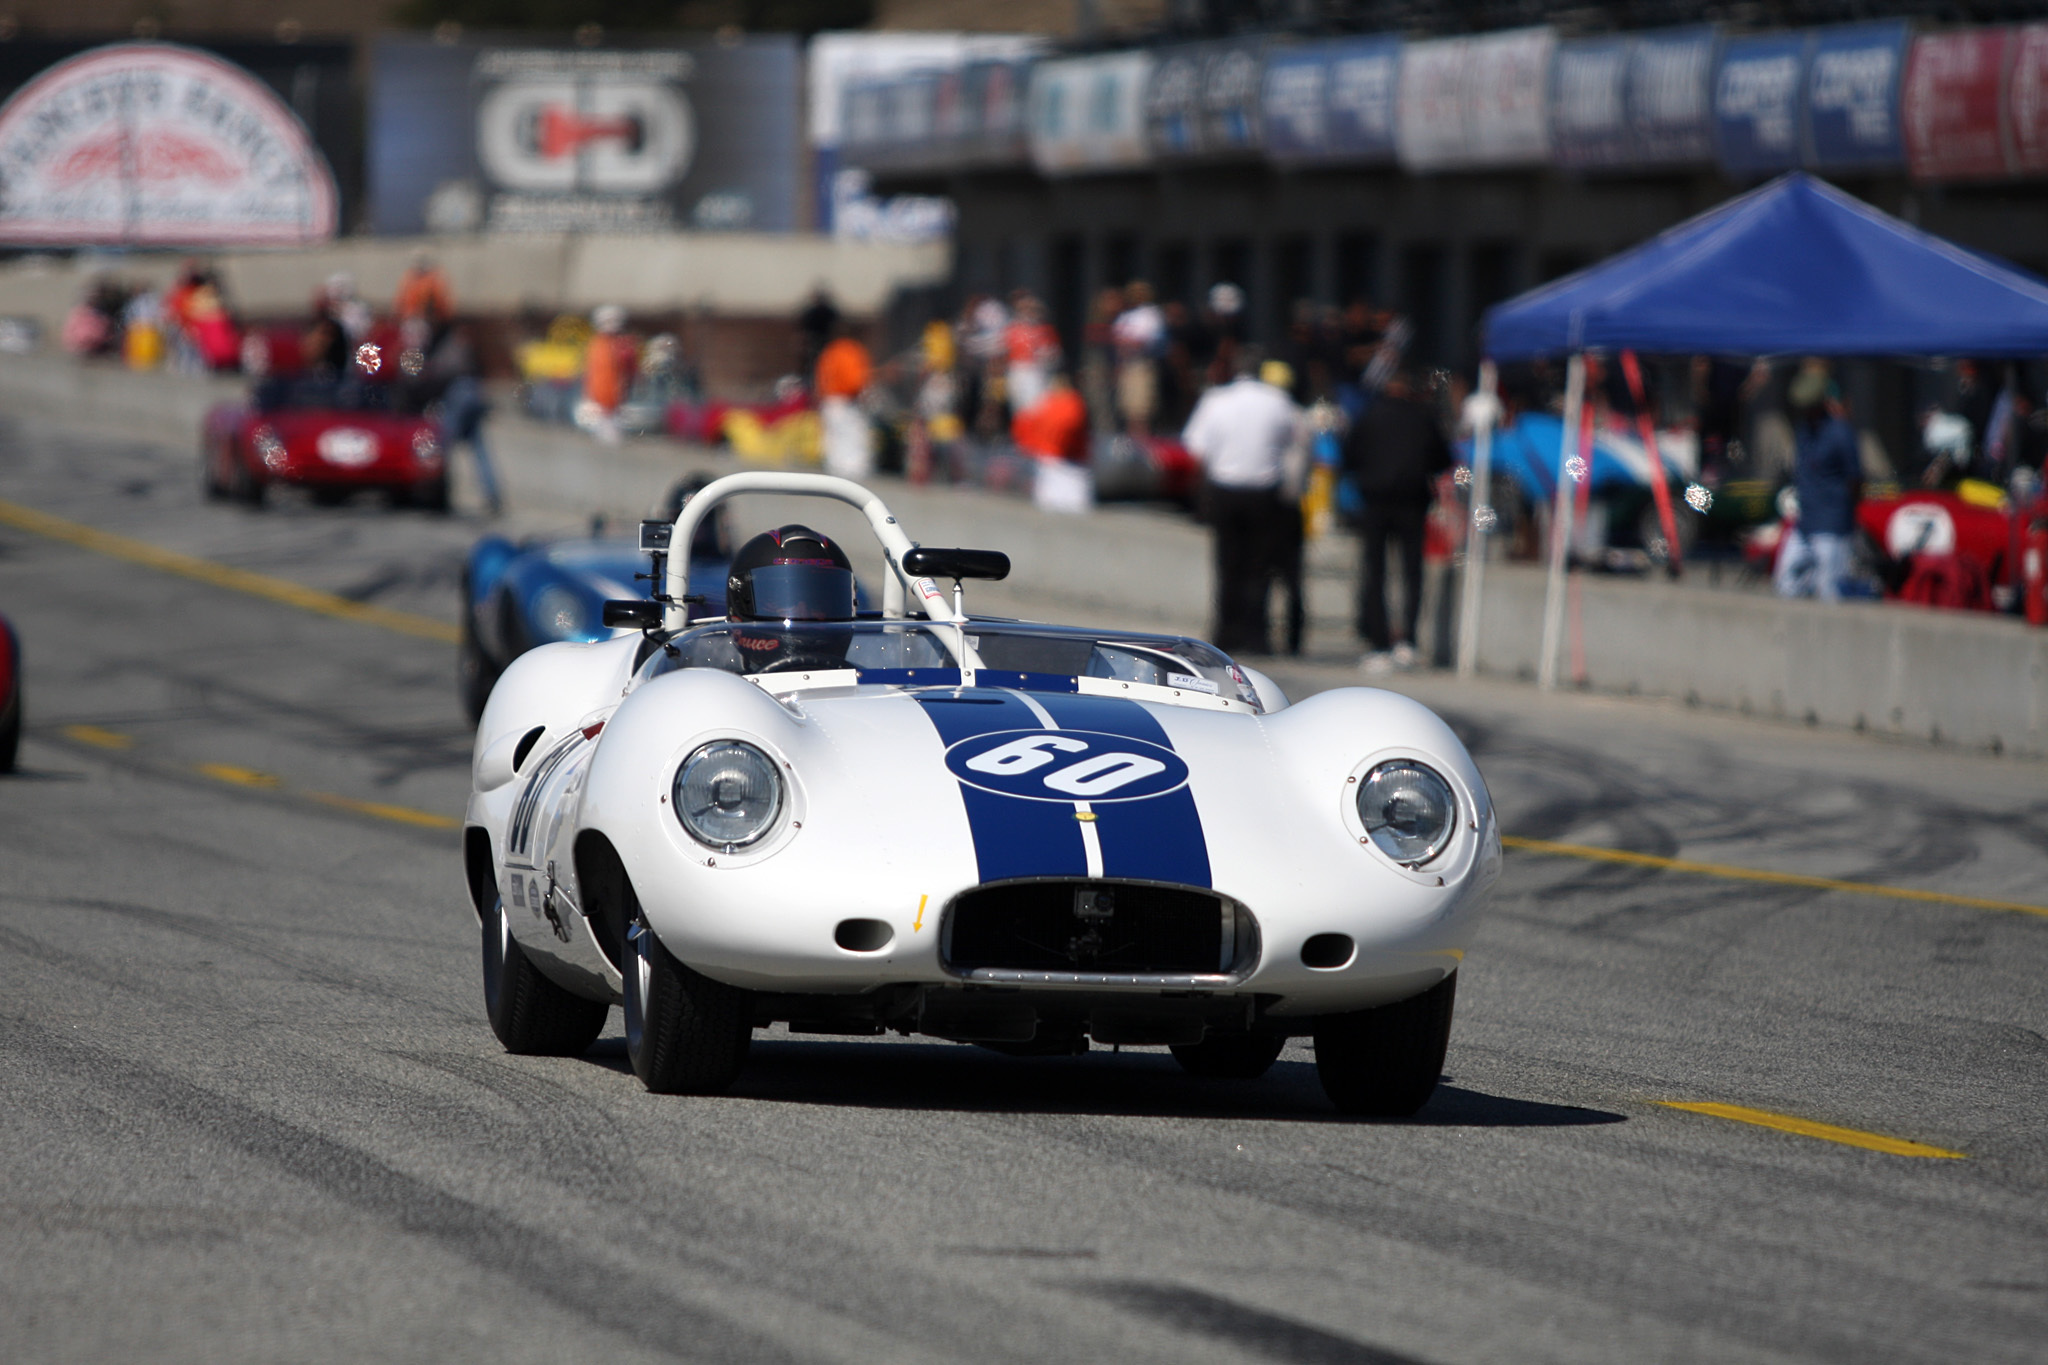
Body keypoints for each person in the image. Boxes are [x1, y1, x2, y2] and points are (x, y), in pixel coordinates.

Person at [1181, 351, 1305, 654]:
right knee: (1258, 567)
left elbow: (1194, 446)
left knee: (1227, 564)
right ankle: (1256, 635)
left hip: (1225, 488)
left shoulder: (1217, 400)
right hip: (1264, 492)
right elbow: (1295, 440)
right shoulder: (1277, 402)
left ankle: (1226, 632)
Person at [1343, 369, 1450, 674]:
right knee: (1412, 572)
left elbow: (1349, 455)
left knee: (1375, 572)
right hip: (1412, 502)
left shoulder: (1369, 415)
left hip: (1375, 501)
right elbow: (1443, 458)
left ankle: (1378, 643)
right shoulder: (1423, 416)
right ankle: (1408, 641)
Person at [679, 524, 862, 675]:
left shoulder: (872, 687)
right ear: (741, 603)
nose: (803, 613)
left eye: (819, 602)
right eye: (783, 602)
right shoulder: (714, 688)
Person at [1775, 361, 1861, 604]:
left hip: (1831, 526)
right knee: (1785, 584)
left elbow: (1855, 479)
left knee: (1829, 593)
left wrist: (1847, 517)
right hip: (1805, 522)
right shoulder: (1804, 431)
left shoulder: (1840, 433)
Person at [1260, 360, 1316, 656]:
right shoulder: (1301, 417)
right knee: (1292, 577)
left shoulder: (1273, 415)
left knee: (1266, 574)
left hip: (1272, 502)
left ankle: (1265, 634)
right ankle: (1293, 639)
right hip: (1292, 502)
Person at [427, 323, 502, 516]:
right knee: (479, 450)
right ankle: (492, 495)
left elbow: (442, 371)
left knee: (443, 445)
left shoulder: (451, 345)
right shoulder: (466, 345)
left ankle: (436, 490)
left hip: (459, 393)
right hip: (474, 393)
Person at [1012, 370, 1092, 514]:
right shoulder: (1070, 404)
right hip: (1064, 468)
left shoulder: (1047, 403)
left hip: (1053, 466)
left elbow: (1022, 428)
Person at [815, 324, 874, 478]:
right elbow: (855, 381)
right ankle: (853, 474)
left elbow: (821, 378)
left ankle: (834, 471)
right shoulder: (851, 351)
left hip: (829, 401)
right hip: (846, 402)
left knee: (833, 440)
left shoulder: (830, 351)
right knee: (853, 438)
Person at [580, 304, 636, 445]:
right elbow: (590, 373)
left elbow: (630, 372)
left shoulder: (624, 345)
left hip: (615, 403)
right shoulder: (595, 344)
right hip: (598, 402)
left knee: (613, 439)